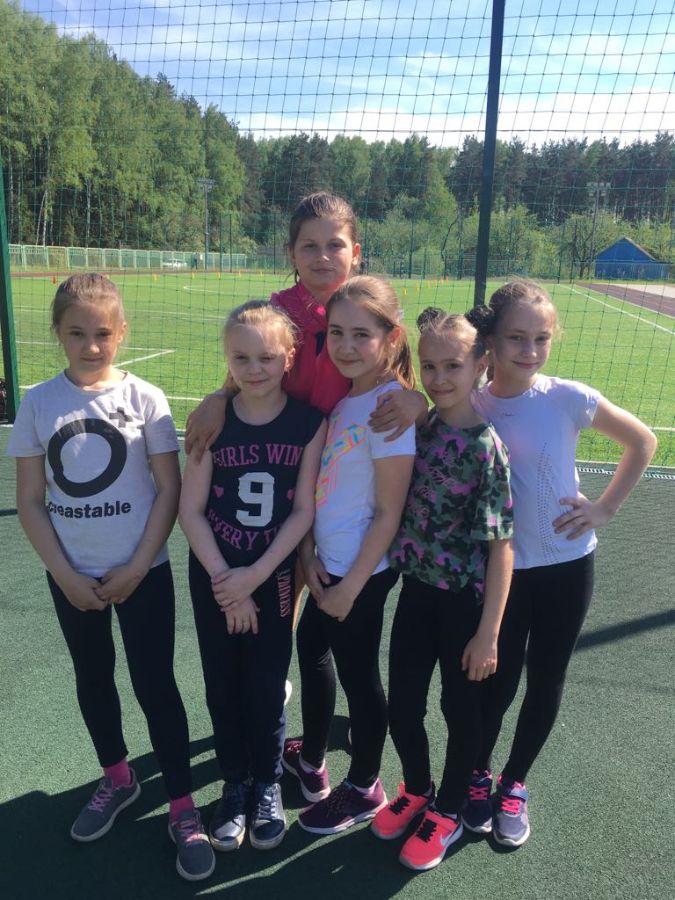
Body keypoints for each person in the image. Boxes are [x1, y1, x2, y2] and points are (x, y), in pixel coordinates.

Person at [7, 273, 215, 882]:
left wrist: (137, 564)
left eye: (102, 333)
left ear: (122, 332)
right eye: (76, 333)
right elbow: (29, 500)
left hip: (143, 572)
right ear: (58, 333)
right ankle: (118, 778)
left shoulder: (146, 398)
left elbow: (168, 489)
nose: (91, 346)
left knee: (155, 685)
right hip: (72, 577)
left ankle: (181, 806)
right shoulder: (38, 403)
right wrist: (64, 575)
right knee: (93, 677)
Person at [466, 279, 657, 848]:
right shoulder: (469, 402)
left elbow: (642, 441)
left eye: (541, 338)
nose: (529, 350)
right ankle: (476, 775)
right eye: (516, 338)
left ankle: (514, 783)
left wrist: (605, 508)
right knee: (493, 681)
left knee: (546, 677)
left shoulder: (568, 397)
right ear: (492, 340)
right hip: (497, 574)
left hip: (566, 567)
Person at [178, 300, 326, 853]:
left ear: (289, 358)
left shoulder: (309, 423)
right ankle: (234, 783)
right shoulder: (212, 421)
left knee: (265, 686)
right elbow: (191, 511)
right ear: (227, 359)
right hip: (215, 573)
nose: (254, 368)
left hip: (272, 574)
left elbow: (303, 511)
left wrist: (256, 576)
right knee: (222, 685)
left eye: (266, 357)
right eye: (241, 358)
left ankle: (267, 783)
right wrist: (227, 580)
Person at [371, 310, 514, 871]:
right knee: (404, 706)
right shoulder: (422, 427)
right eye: (429, 366)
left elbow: (502, 548)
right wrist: (415, 402)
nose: (439, 377)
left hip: (463, 606)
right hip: (416, 595)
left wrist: (488, 633)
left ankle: (449, 810)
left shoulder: (486, 448)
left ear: (482, 366)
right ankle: (416, 788)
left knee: (460, 711)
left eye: (453, 365)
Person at [282, 275, 417, 835]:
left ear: (391, 338)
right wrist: (310, 553)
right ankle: (312, 759)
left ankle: (364, 786)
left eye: (362, 334)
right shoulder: (348, 398)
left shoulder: (389, 410)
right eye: (336, 332)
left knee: (361, 678)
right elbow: (327, 489)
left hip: (360, 573)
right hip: (328, 564)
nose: (345, 345)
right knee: (312, 646)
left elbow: (388, 513)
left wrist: (350, 586)